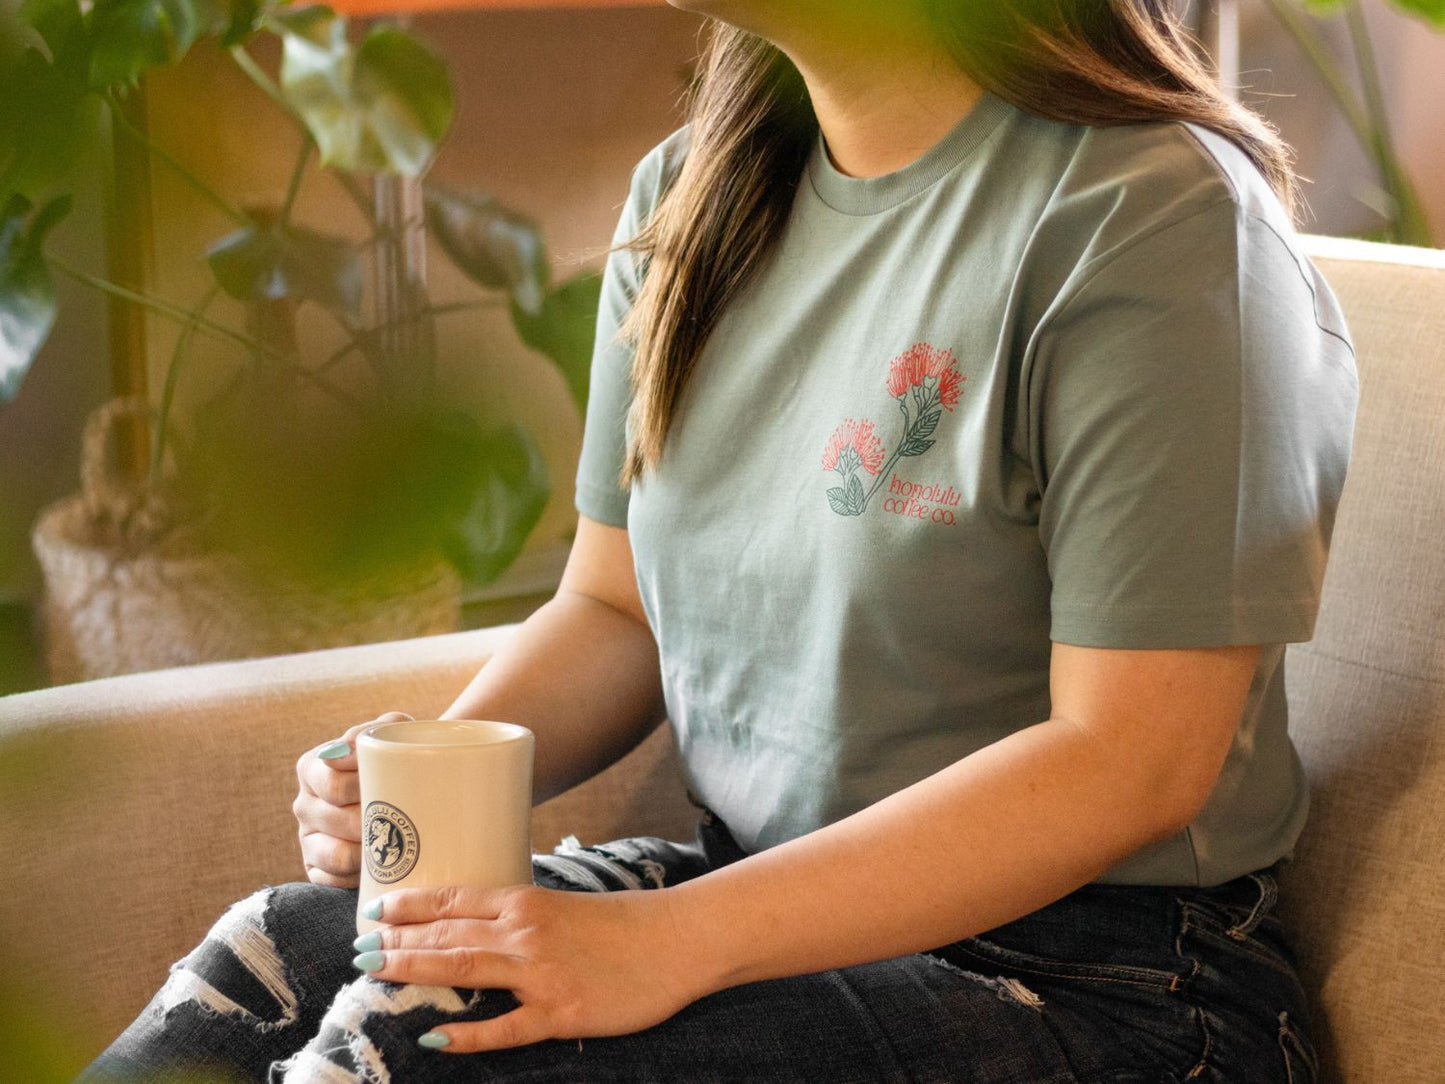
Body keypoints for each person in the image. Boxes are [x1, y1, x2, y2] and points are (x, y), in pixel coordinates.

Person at [82, 0, 1359, 1080]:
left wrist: (671, 940)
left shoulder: (1157, 220)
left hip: (1110, 986)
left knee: (410, 1040)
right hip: (755, 897)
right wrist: (429, 778)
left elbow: (1131, 762)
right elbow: (614, 610)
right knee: (275, 952)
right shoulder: (693, 195)